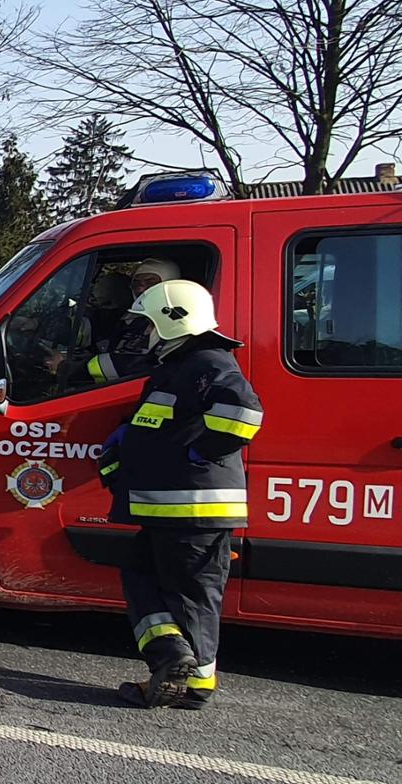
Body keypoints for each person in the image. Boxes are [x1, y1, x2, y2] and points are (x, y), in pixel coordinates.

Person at [97, 279, 263, 710]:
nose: (147, 334)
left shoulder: (206, 361)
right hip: (171, 509)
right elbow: (161, 426)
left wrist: (196, 452)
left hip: (193, 508)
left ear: (175, 322)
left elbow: (243, 413)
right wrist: (127, 445)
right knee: (142, 575)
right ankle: (172, 655)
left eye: (150, 325)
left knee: (190, 596)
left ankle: (191, 682)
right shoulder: (180, 366)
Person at [83, 258, 180, 383]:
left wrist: (71, 368)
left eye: (150, 282)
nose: (140, 289)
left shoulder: (176, 325)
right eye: (136, 283)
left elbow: (137, 366)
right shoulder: (129, 321)